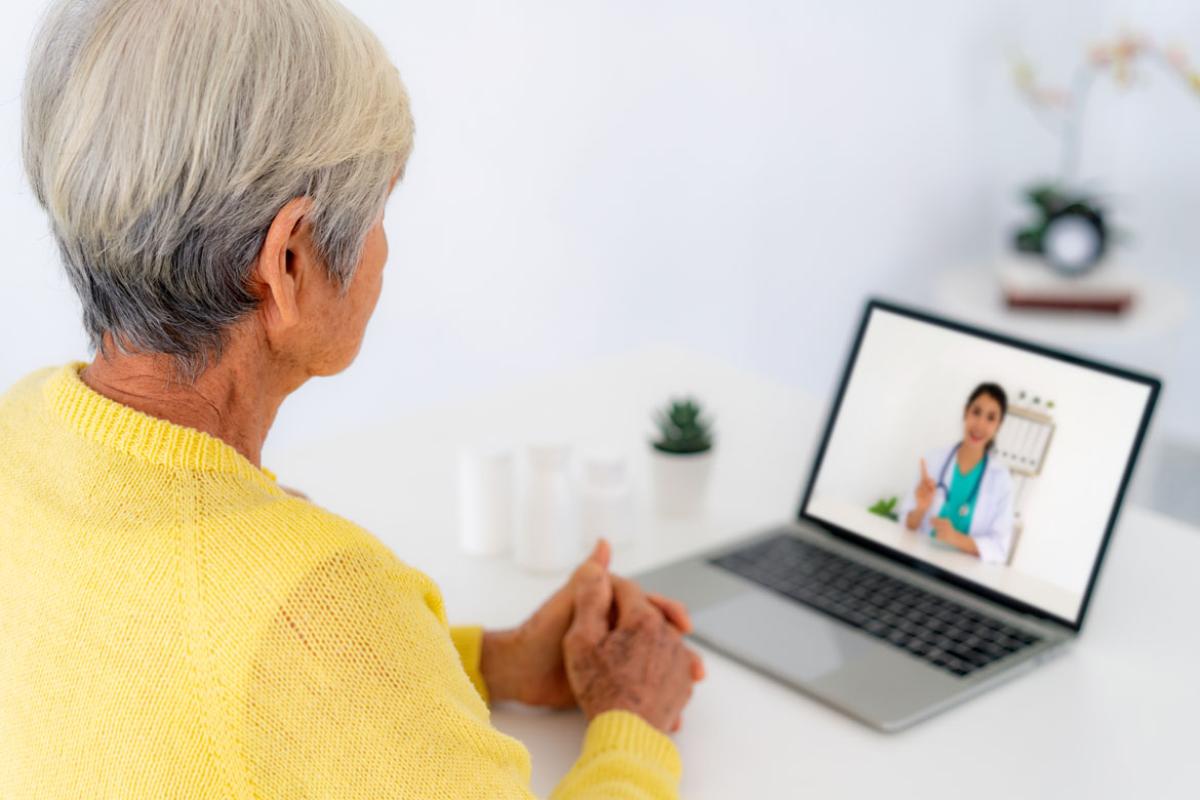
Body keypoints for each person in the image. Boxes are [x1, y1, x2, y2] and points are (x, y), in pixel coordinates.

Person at [0, 1, 702, 797]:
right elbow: (291, 658)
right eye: (377, 211)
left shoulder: (18, 430)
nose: (384, 250)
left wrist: (483, 661)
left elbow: (163, 696)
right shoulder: (311, 606)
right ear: (289, 264)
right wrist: (632, 718)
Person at [897, 382, 1016, 564]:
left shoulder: (1001, 480)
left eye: (991, 418)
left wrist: (955, 538)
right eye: (976, 412)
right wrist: (920, 508)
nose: (980, 424)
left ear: (998, 426)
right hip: (920, 562)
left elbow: (999, 549)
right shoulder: (933, 460)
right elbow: (907, 527)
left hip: (964, 577)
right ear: (965, 412)